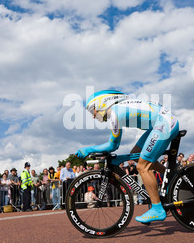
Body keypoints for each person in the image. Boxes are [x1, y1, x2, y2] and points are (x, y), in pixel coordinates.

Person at [75, 90, 179, 224]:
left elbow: (113, 145)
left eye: (92, 111)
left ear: (100, 104)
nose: (93, 116)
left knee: (142, 167)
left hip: (164, 124)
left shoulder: (115, 113)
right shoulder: (119, 108)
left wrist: (89, 149)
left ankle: (157, 209)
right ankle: (170, 176)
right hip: (161, 123)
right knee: (136, 154)